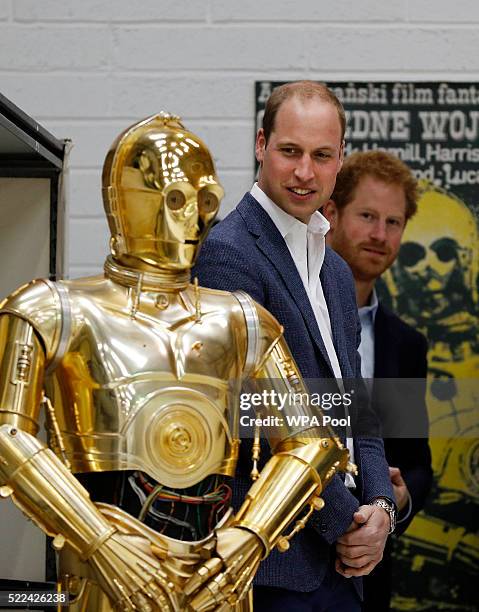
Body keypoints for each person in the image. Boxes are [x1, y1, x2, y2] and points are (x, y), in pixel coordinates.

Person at [0, 113, 354, 611]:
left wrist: (250, 537)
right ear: (124, 201)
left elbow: (311, 444)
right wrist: (98, 540)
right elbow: (6, 433)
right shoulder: (51, 309)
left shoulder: (242, 320)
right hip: (102, 577)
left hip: (219, 575)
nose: (194, 219)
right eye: (174, 200)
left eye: (205, 202)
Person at [193, 81, 395, 611]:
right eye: (290, 152)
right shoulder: (229, 254)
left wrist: (380, 509)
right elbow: (256, 415)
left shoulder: (333, 270)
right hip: (273, 568)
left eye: (321, 155)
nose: (305, 172)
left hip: (340, 565)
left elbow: (358, 409)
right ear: (261, 144)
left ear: (339, 161)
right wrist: (347, 523)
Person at [323, 150, 433, 611]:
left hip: (369, 576)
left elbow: (417, 463)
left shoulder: (404, 344)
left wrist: (399, 500)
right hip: (284, 559)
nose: (379, 235)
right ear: (329, 214)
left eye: (393, 222)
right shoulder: (282, 318)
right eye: (367, 216)